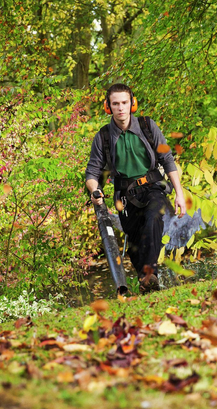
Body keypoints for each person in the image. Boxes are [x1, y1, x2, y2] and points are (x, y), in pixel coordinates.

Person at [85, 83, 186, 293]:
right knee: (136, 246)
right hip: (125, 197)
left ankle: (150, 275)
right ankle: (147, 284)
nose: (121, 107)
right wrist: (95, 190)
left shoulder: (148, 126)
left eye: (124, 102)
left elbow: (167, 158)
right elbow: (92, 173)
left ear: (132, 103)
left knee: (154, 217)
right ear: (108, 107)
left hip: (153, 188)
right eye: (115, 104)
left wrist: (179, 193)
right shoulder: (103, 137)